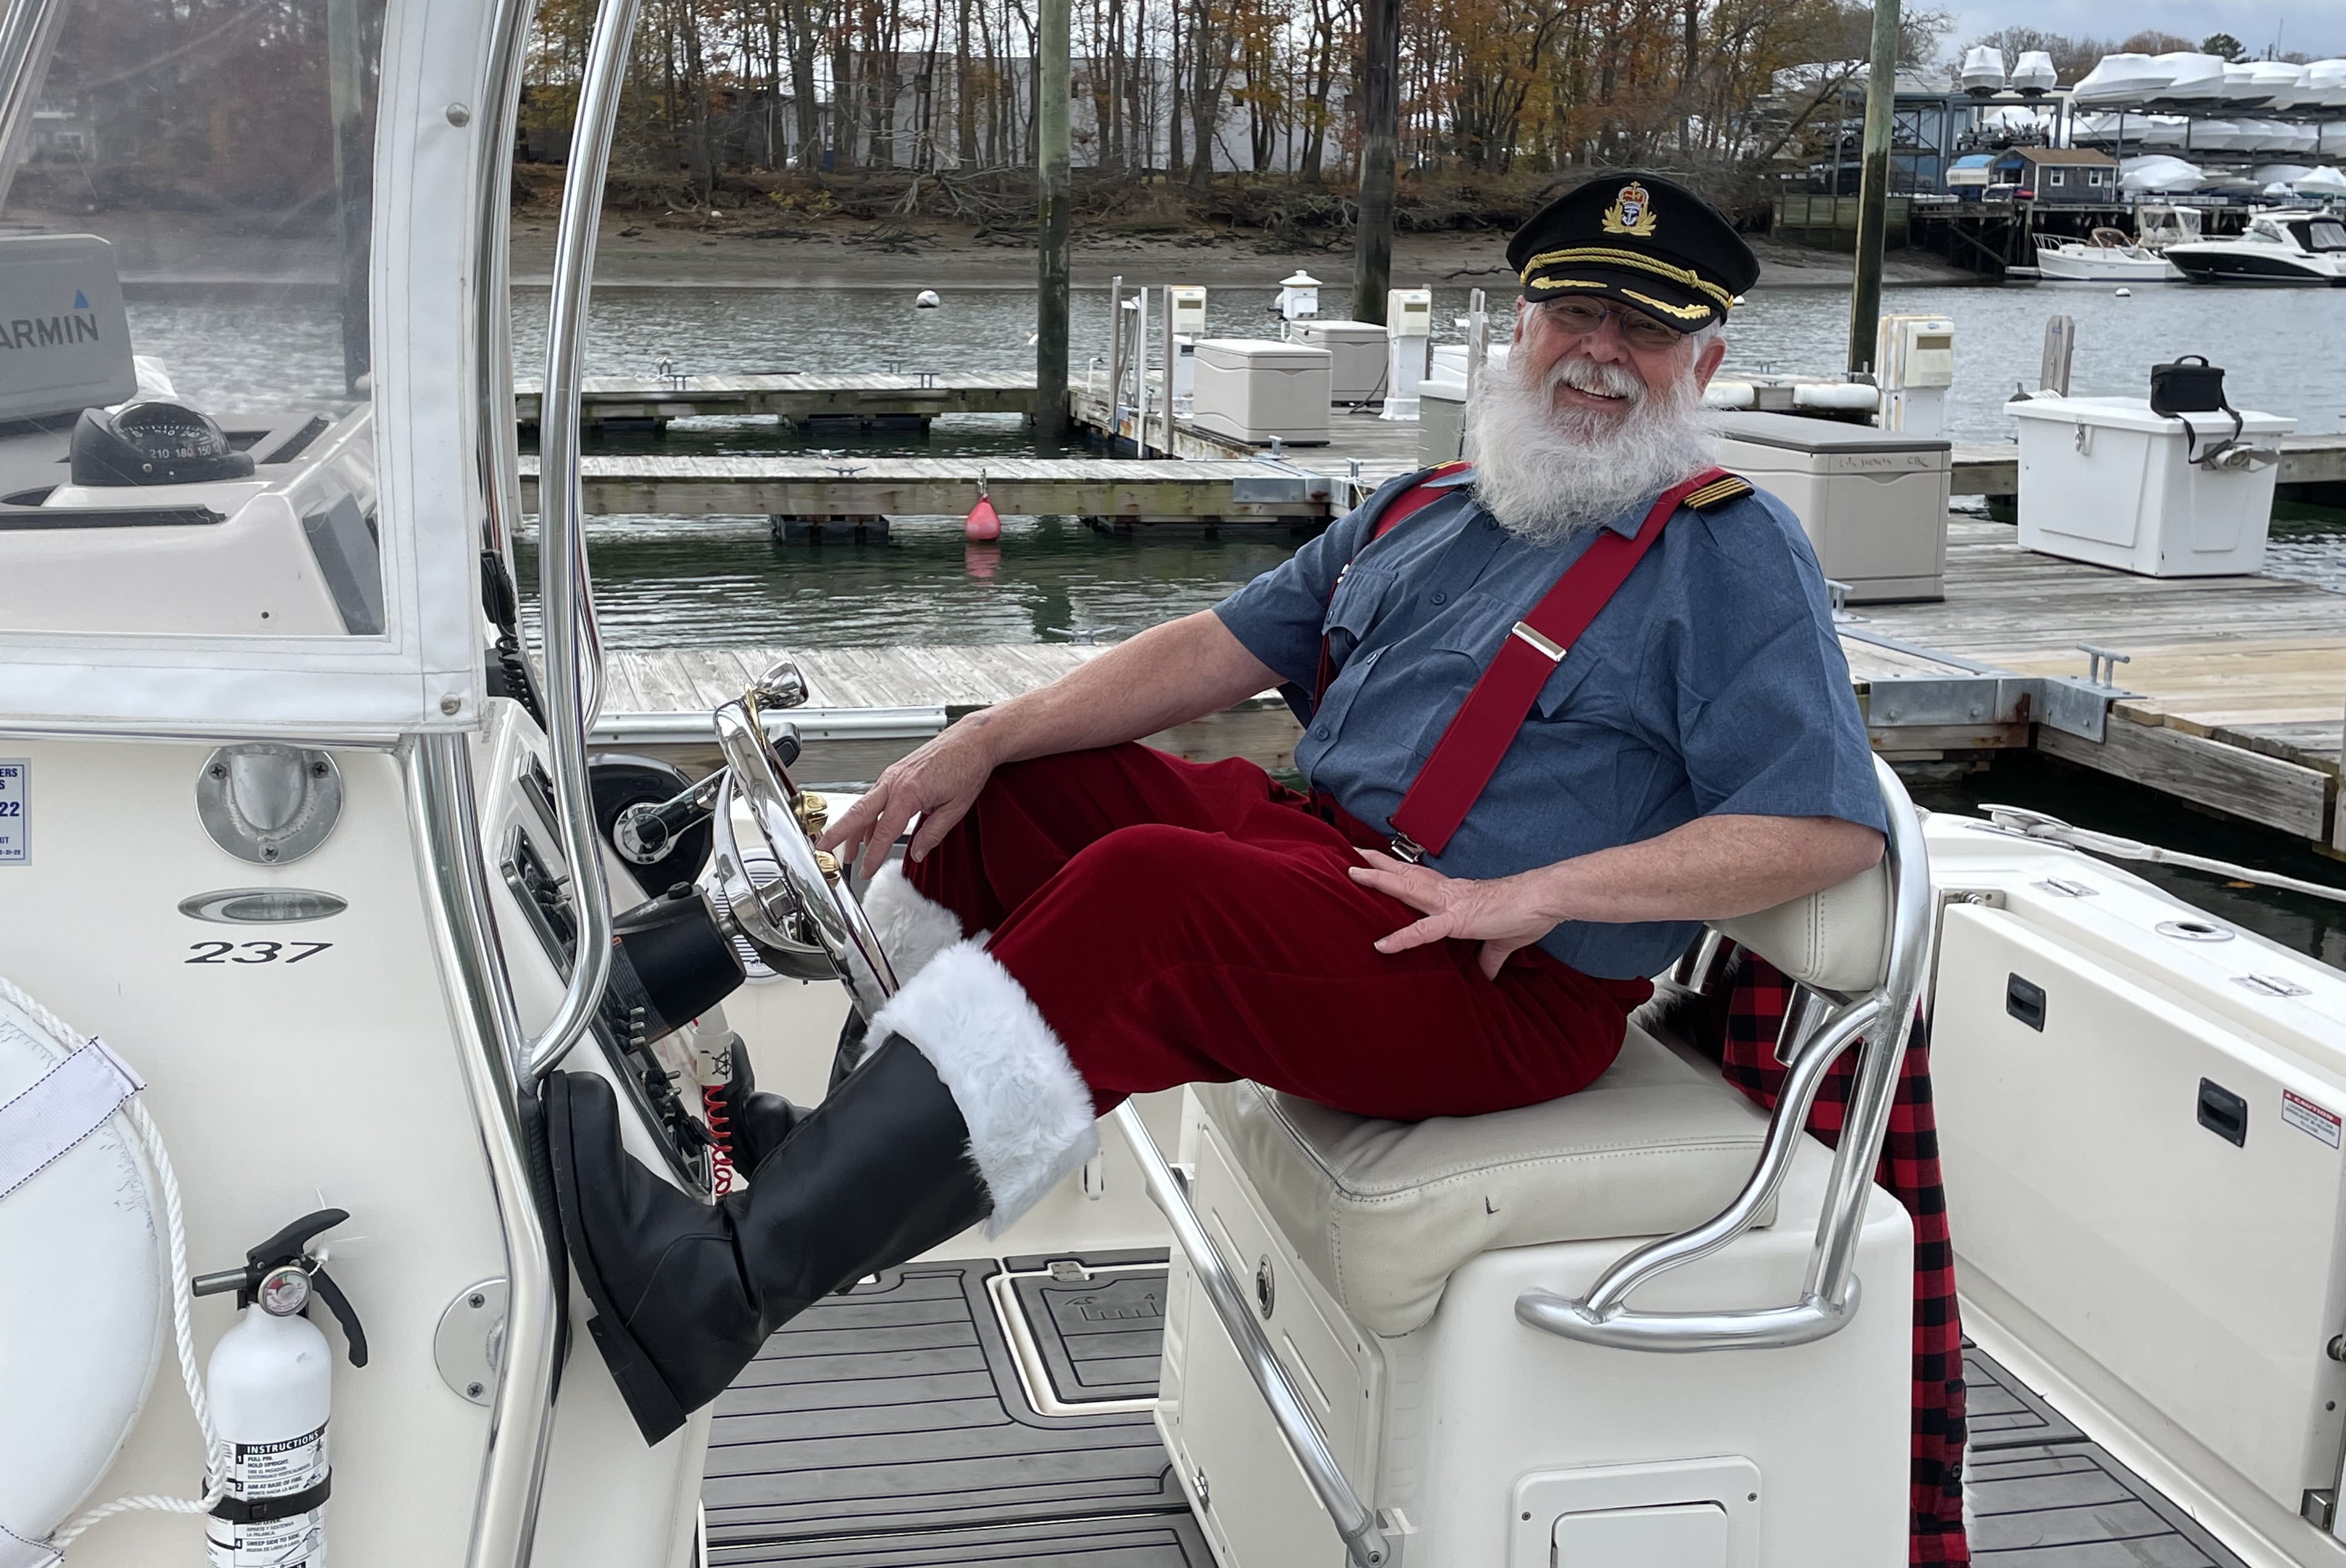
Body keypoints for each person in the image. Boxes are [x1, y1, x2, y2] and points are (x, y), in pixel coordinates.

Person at [542, 172, 1889, 1444]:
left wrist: (1538, 894)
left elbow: (1822, 827)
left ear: (1703, 364)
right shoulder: (1432, 504)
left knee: (1148, 899)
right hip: (1330, 862)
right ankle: (778, 1129)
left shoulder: (1733, 552)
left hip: (1494, 971)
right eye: (1580, 313)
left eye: (1649, 328)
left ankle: (721, 1290)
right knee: (1021, 794)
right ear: (1522, 330)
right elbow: (1212, 647)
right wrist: (987, 734)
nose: (1605, 351)